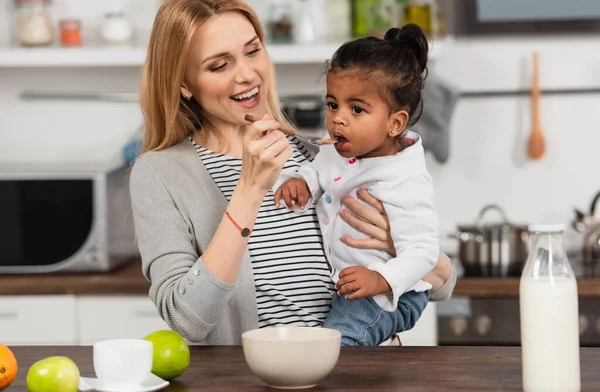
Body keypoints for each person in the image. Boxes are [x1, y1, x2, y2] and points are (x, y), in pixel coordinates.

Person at [129, 0, 457, 345]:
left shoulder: (317, 154)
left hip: (362, 381)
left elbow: (443, 283)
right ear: (185, 83)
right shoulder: (160, 174)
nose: (246, 74)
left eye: (252, 51)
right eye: (219, 65)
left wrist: (397, 244)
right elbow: (187, 319)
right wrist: (249, 190)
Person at [273, 25, 438, 346]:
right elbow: (317, 168)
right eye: (333, 104)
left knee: (335, 347)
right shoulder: (337, 151)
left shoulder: (405, 178)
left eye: (357, 109)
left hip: (389, 294)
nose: (338, 119)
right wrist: (301, 182)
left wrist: (380, 279)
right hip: (354, 288)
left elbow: (424, 250)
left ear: (395, 123)